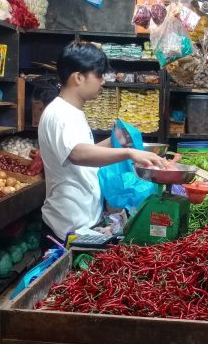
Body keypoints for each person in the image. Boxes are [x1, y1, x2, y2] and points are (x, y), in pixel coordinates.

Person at [37, 42, 165, 247]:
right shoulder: (60, 114)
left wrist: (116, 140)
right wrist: (129, 153)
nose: (103, 81)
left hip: (82, 220)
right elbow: (77, 154)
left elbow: (83, 149)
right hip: (66, 227)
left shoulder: (72, 112)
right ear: (78, 77)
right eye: (98, 75)